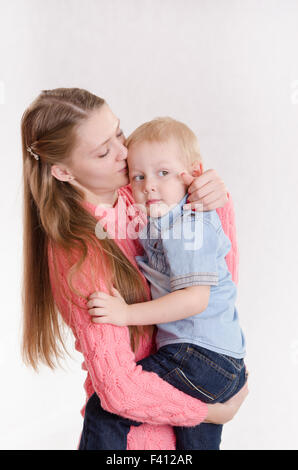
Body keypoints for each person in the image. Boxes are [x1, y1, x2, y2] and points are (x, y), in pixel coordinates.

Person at [21, 88, 248, 451]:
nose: (124, 153)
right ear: (63, 171)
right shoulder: (80, 255)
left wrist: (211, 198)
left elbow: (215, 278)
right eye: (103, 151)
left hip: (189, 387)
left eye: (119, 134)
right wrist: (212, 412)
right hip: (136, 441)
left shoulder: (137, 192)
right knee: (103, 409)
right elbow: (118, 391)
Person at [86, 117, 247, 450]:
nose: (149, 187)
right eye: (138, 176)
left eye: (163, 173)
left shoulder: (188, 224)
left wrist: (125, 314)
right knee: (193, 443)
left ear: (192, 174)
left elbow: (194, 300)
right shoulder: (163, 217)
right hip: (219, 358)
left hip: (199, 355)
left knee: (107, 406)